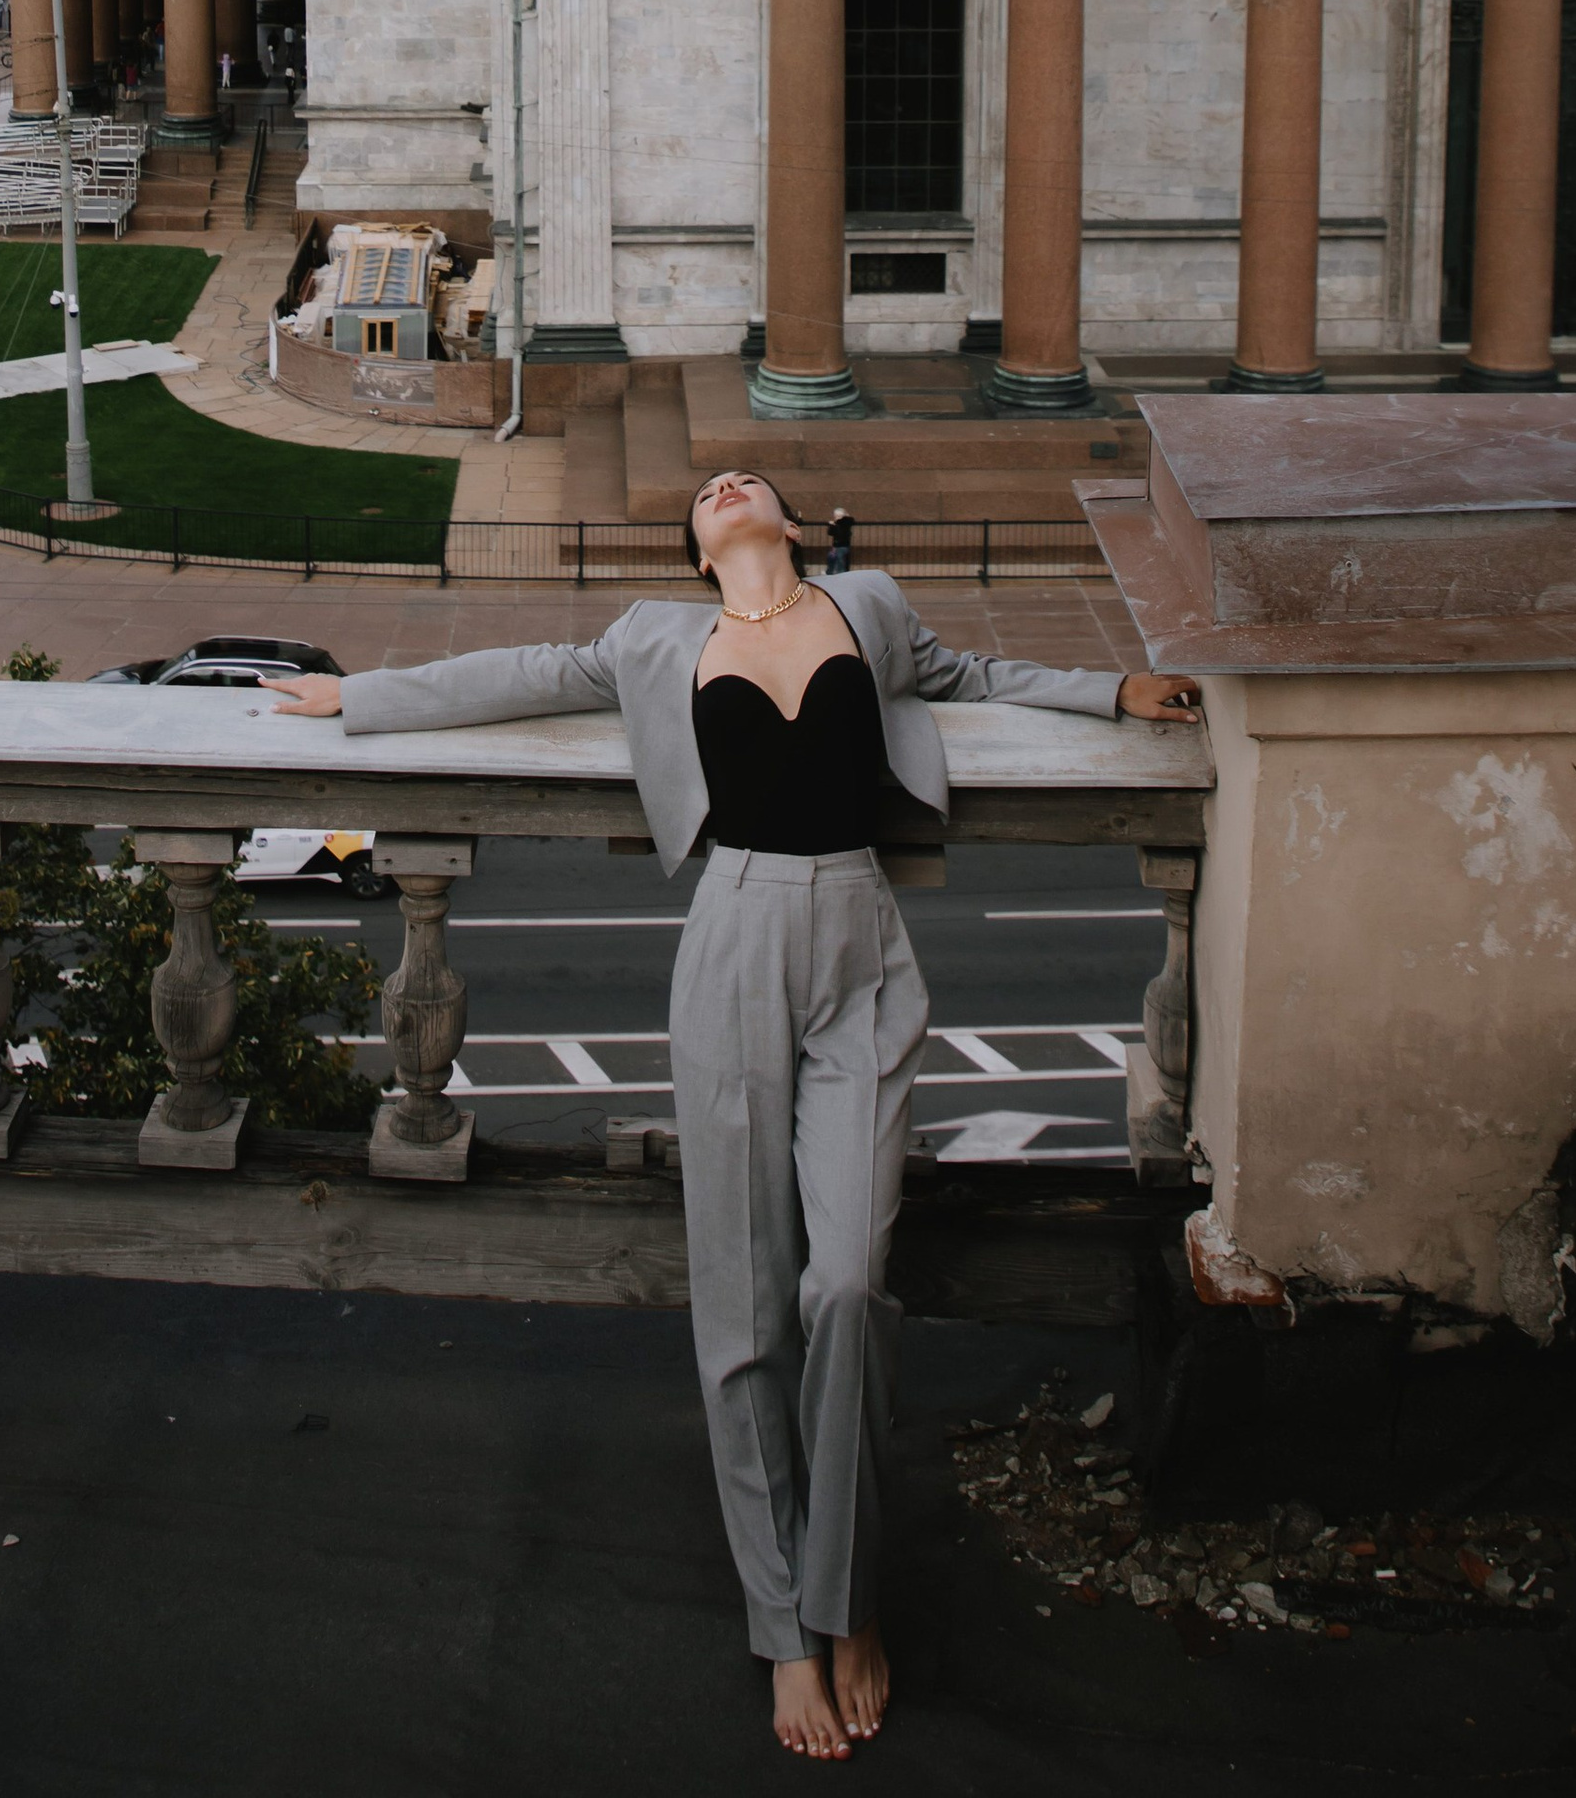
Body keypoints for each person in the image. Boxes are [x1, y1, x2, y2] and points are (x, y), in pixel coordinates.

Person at [271, 472, 1199, 1762]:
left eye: (747, 479)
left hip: (860, 943)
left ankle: (851, 1599)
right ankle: (785, 1629)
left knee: (850, 1283)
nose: (726, 485)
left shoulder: (867, 608)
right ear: (699, 550)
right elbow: (519, 672)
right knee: (743, 1309)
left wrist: (1115, 691)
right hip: (731, 942)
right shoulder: (655, 638)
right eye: (709, 491)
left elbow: (978, 677)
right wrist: (351, 698)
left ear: (786, 522)